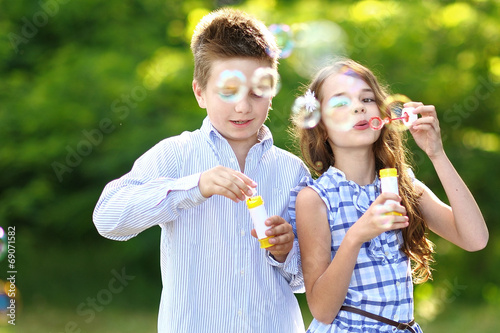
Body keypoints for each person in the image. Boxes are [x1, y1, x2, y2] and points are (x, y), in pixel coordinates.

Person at [93, 8, 308, 333]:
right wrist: (193, 187)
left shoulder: (292, 171)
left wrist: (287, 250)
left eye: (257, 92)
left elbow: (306, 280)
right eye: (228, 91)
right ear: (199, 92)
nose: (243, 106)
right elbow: (108, 218)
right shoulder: (176, 155)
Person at [288, 59, 488, 332]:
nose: (358, 106)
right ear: (320, 127)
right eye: (340, 102)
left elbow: (474, 239)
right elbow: (322, 309)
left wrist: (436, 153)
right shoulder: (316, 199)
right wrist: (357, 235)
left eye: (366, 98)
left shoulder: (403, 184)